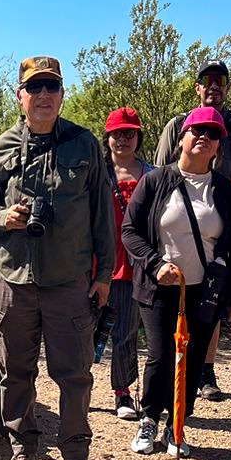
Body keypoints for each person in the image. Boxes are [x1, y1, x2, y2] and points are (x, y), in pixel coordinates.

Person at [0, 56, 115, 460]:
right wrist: (2, 217)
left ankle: (75, 456)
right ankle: (23, 450)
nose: (44, 95)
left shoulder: (84, 145)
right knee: (16, 371)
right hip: (13, 280)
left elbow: (103, 214)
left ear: (62, 95)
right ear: (20, 96)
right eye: (35, 88)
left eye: (52, 87)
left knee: (74, 374)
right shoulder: (1, 147)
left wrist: (104, 273)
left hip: (68, 279)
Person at [120, 107, 231, 457]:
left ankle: (177, 424)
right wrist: (153, 263)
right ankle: (148, 419)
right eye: (197, 131)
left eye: (213, 134)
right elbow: (130, 231)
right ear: (182, 138)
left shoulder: (224, 190)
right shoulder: (156, 180)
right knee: (161, 356)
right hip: (160, 287)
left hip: (206, 290)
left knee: (193, 359)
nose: (204, 138)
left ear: (219, 146)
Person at [155, 58, 231, 402]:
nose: (214, 85)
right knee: (173, 302)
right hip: (178, 217)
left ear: (227, 87)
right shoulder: (179, 124)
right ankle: (171, 374)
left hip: (223, 217)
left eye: (221, 80)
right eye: (207, 80)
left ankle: (206, 370)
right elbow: (159, 173)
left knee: (212, 296)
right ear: (198, 86)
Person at [104, 107, 152, 421]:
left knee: (125, 332)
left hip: (135, 263)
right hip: (99, 261)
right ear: (107, 137)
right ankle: (77, 386)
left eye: (129, 132)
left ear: (138, 137)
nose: (123, 138)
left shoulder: (152, 173)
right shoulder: (96, 171)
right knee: (84, 330)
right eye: (117, 133)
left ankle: (123, 392)